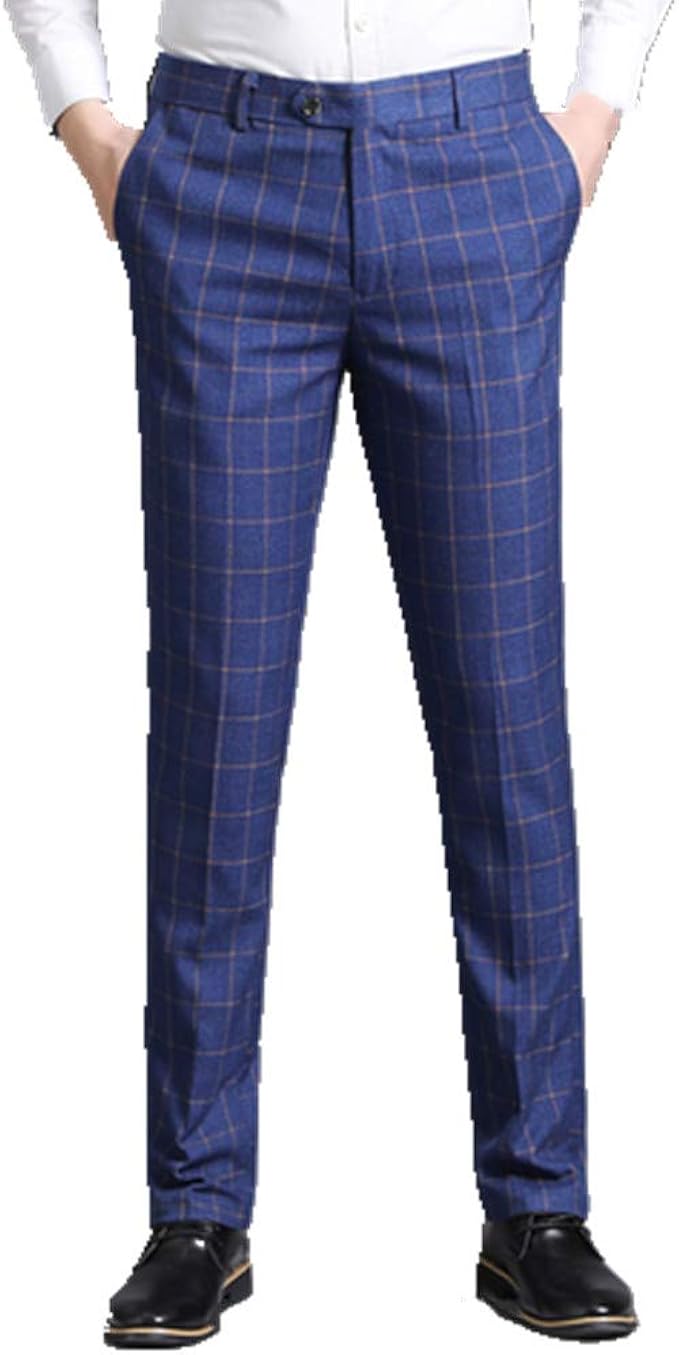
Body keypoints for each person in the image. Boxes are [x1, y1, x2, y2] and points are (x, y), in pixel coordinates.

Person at [3, 0, 670, 1345]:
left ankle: (538, 1208)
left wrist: (593, 116)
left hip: (476, 166)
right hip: (224, 180)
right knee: (218, 723)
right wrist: (85, 119)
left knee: (506, 721)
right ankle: (197, 1211)